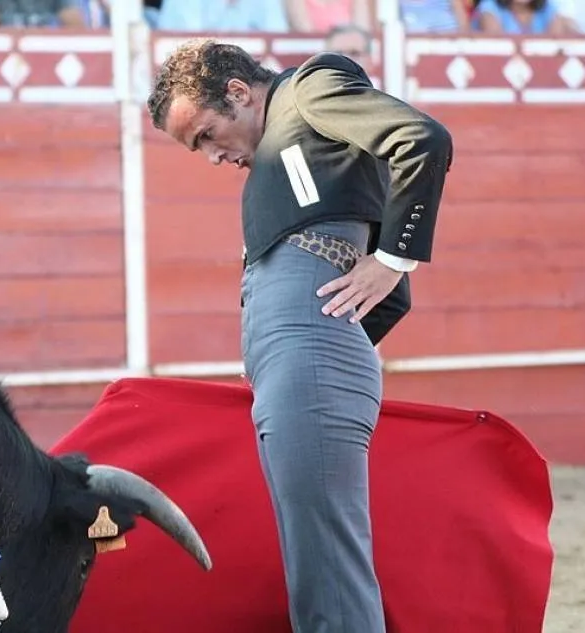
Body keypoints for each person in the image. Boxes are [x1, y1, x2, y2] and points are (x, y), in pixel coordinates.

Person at [146, 40, 453, 632]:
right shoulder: (289, 157)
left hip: (305, 357)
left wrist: (393, 259)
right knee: (314, 567)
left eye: (207, 135)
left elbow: (423, 139)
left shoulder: (309, 89)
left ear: (238, 92)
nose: (212, 157)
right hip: (294, 359)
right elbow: (385, 303)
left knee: (327, 573)